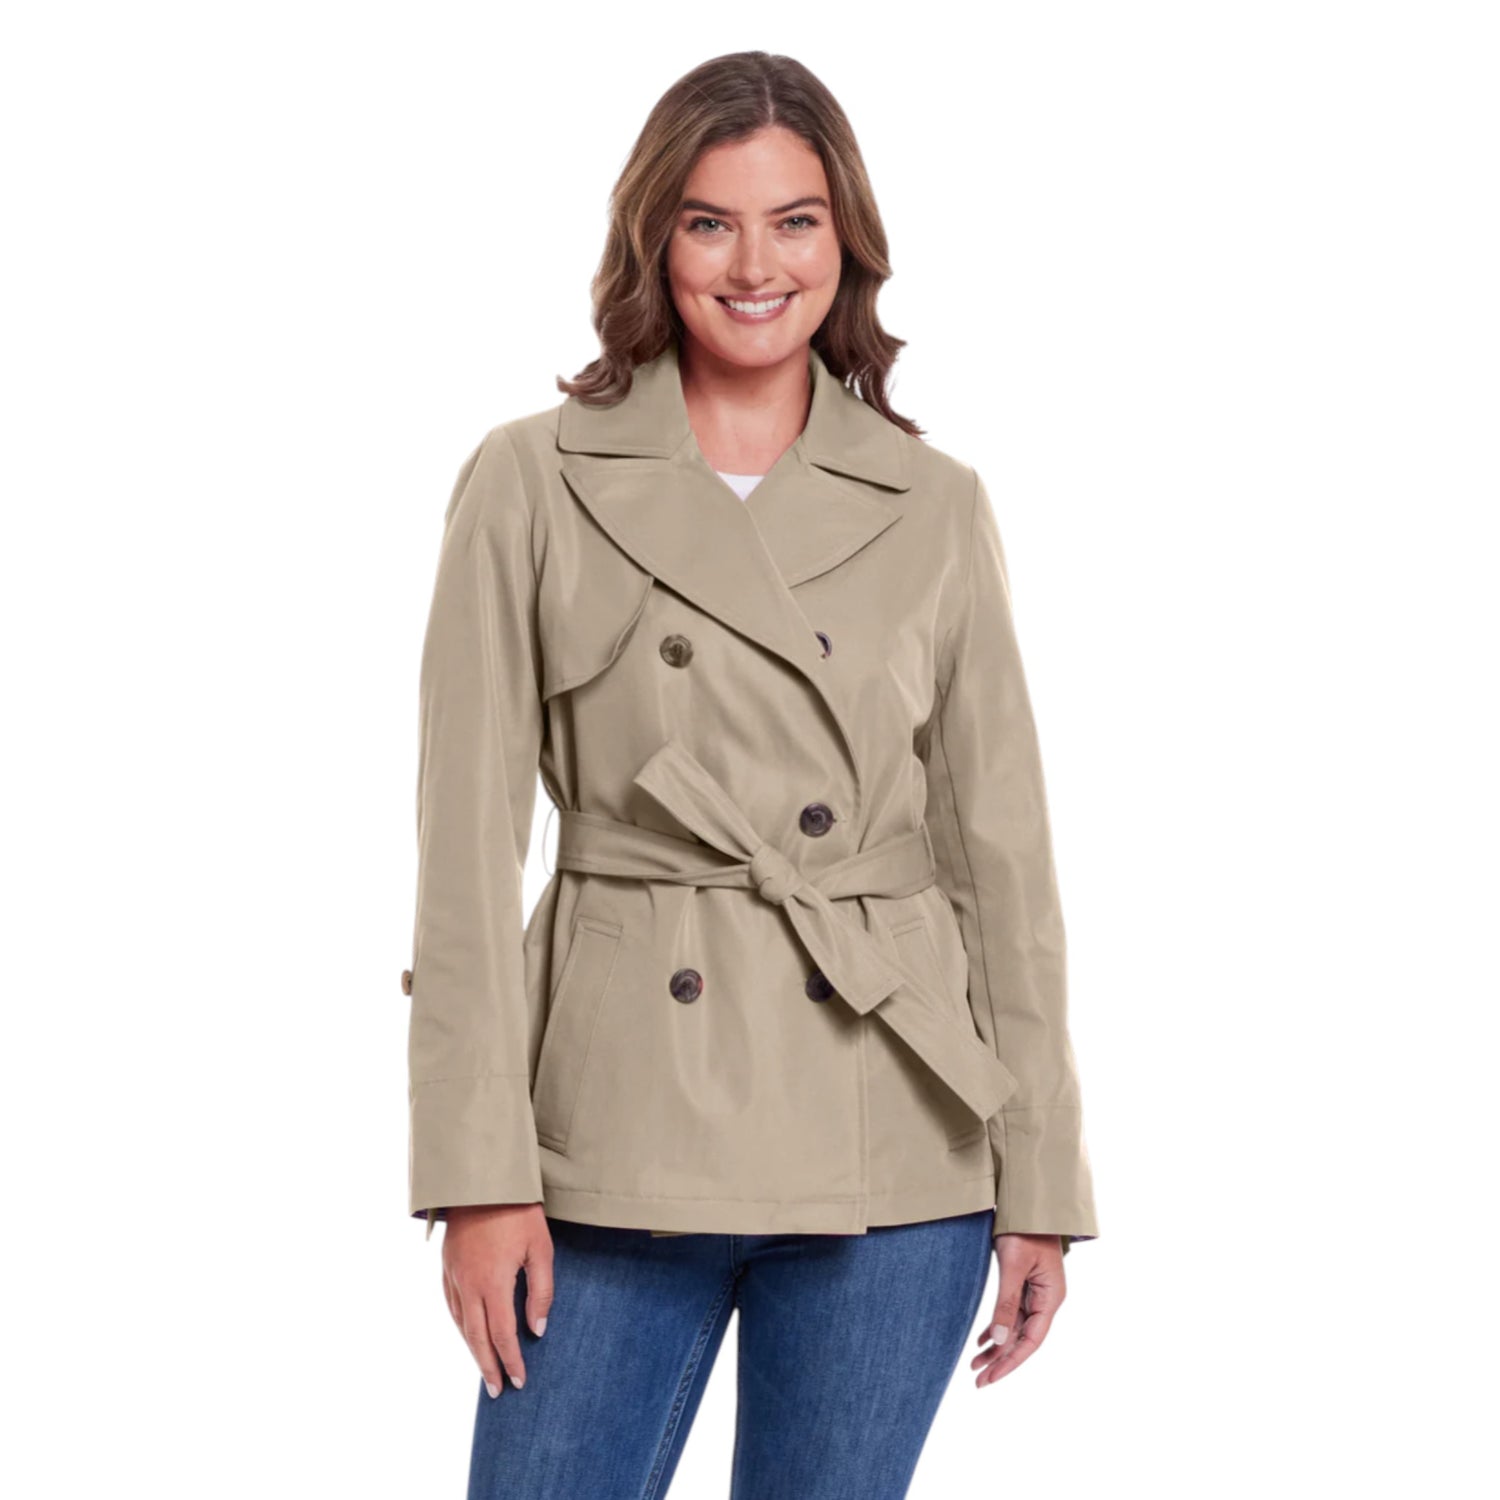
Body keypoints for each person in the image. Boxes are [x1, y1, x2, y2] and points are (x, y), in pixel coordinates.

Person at [403, 49, 1100, 1500]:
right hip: (608, 1132)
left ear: (847, 242)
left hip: (892, 1131)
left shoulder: (935, 503)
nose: (754, 265)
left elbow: (1003, 868)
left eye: (795, 220)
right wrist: (476, 1172)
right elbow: (464, 860)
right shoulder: (533, 479)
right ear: (653, 238)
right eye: (710, 222)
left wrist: (1042, 1174)